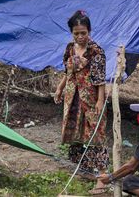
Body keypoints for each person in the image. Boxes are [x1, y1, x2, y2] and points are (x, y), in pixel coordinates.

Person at [54, 10, 109, 193]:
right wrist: (60, 89)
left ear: (89, 31)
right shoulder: (70, 48)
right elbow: (67, 72)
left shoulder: (96, 51)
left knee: (96, 134)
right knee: (76, 132)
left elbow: (100, 79)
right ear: (72, 33)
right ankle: (85, 169)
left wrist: (100, 100)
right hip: (73, 95)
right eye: (76, 33)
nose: (80, 37)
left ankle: (102, 177)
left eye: (83, 33)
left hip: (91, 97)